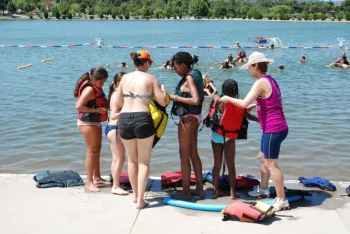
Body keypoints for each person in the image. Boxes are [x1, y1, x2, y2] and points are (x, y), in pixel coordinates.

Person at [219, 52, 289, 211]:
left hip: (274, 129)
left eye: (250, 67)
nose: (249, 70)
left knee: (272, 164)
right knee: (262, 156)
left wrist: (227, 98)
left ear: (257, 66)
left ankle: (282, 199)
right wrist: (256, 105)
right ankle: (264, 189)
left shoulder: (260, 83)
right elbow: (270, 100)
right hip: (275, 127)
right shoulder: (270, 80)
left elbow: (243, 103)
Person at [113, 50, 167, 209]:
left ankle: (135, 196)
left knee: (132, 159)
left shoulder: (124, 78)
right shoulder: (151, 78)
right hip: (142, 118)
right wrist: (162, 90)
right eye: (150, 63)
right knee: (143, 162)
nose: (150, 66)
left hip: (124, 118)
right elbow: (163, 102)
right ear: (145, 63)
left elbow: (118, 100)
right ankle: (141, 201)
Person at [205, 79, 258, 200]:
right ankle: (233, 193)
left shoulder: (217, 101)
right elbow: (247, 116)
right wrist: (260, 120)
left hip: (216, 136)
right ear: (236, 90)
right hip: (229, 136)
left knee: (216, 165)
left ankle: (215, 191)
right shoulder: (237, 103)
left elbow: (210, 117)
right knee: (231, 165)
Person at [170, 51, 205, 200]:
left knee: (184, 154)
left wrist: (174, 97)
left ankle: (185, 191)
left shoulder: (189, 78)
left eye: (176, 67)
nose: (175, 70)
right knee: (193, 153)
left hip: (188, 119)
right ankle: (199, 189)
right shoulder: (196, 73)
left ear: (183, 65)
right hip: (195, 118)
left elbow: (196, 100)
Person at [74, 67, 110, 192]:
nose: (103, 84)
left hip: (95, 122)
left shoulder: (95, 85)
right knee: (91, 151)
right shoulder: (89, 89)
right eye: (101, 82)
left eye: (104, 82)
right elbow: (78, 106)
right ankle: (89, 182)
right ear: (93, 79)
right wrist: (96, 110)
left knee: (97, 149)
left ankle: (97, 177)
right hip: (87, 123)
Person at [106, 72, 128, 195]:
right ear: (119, 83)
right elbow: (114, 115)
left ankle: (115, 183)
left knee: (116, 159)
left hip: (112, 128)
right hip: (115, 128)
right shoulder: (116, 96)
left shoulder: (117, 94)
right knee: (120, 158)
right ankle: (115, 186)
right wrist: (129, 110)